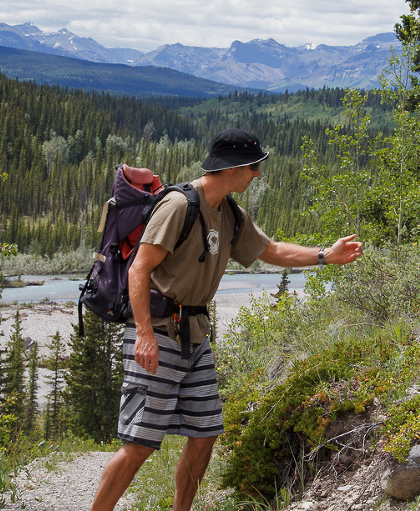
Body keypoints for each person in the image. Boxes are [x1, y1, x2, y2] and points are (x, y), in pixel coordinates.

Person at [91, 128, 363, 511]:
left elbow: (270, 250)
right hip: (160, 334)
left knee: (204, 434)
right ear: (232, 167)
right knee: (139, 444)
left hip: (196, 339)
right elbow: (139, 270)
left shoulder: (231, 214)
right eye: (253, 166)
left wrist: (324, 256)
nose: (256, 174)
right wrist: (144, 335)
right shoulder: (177, 206)